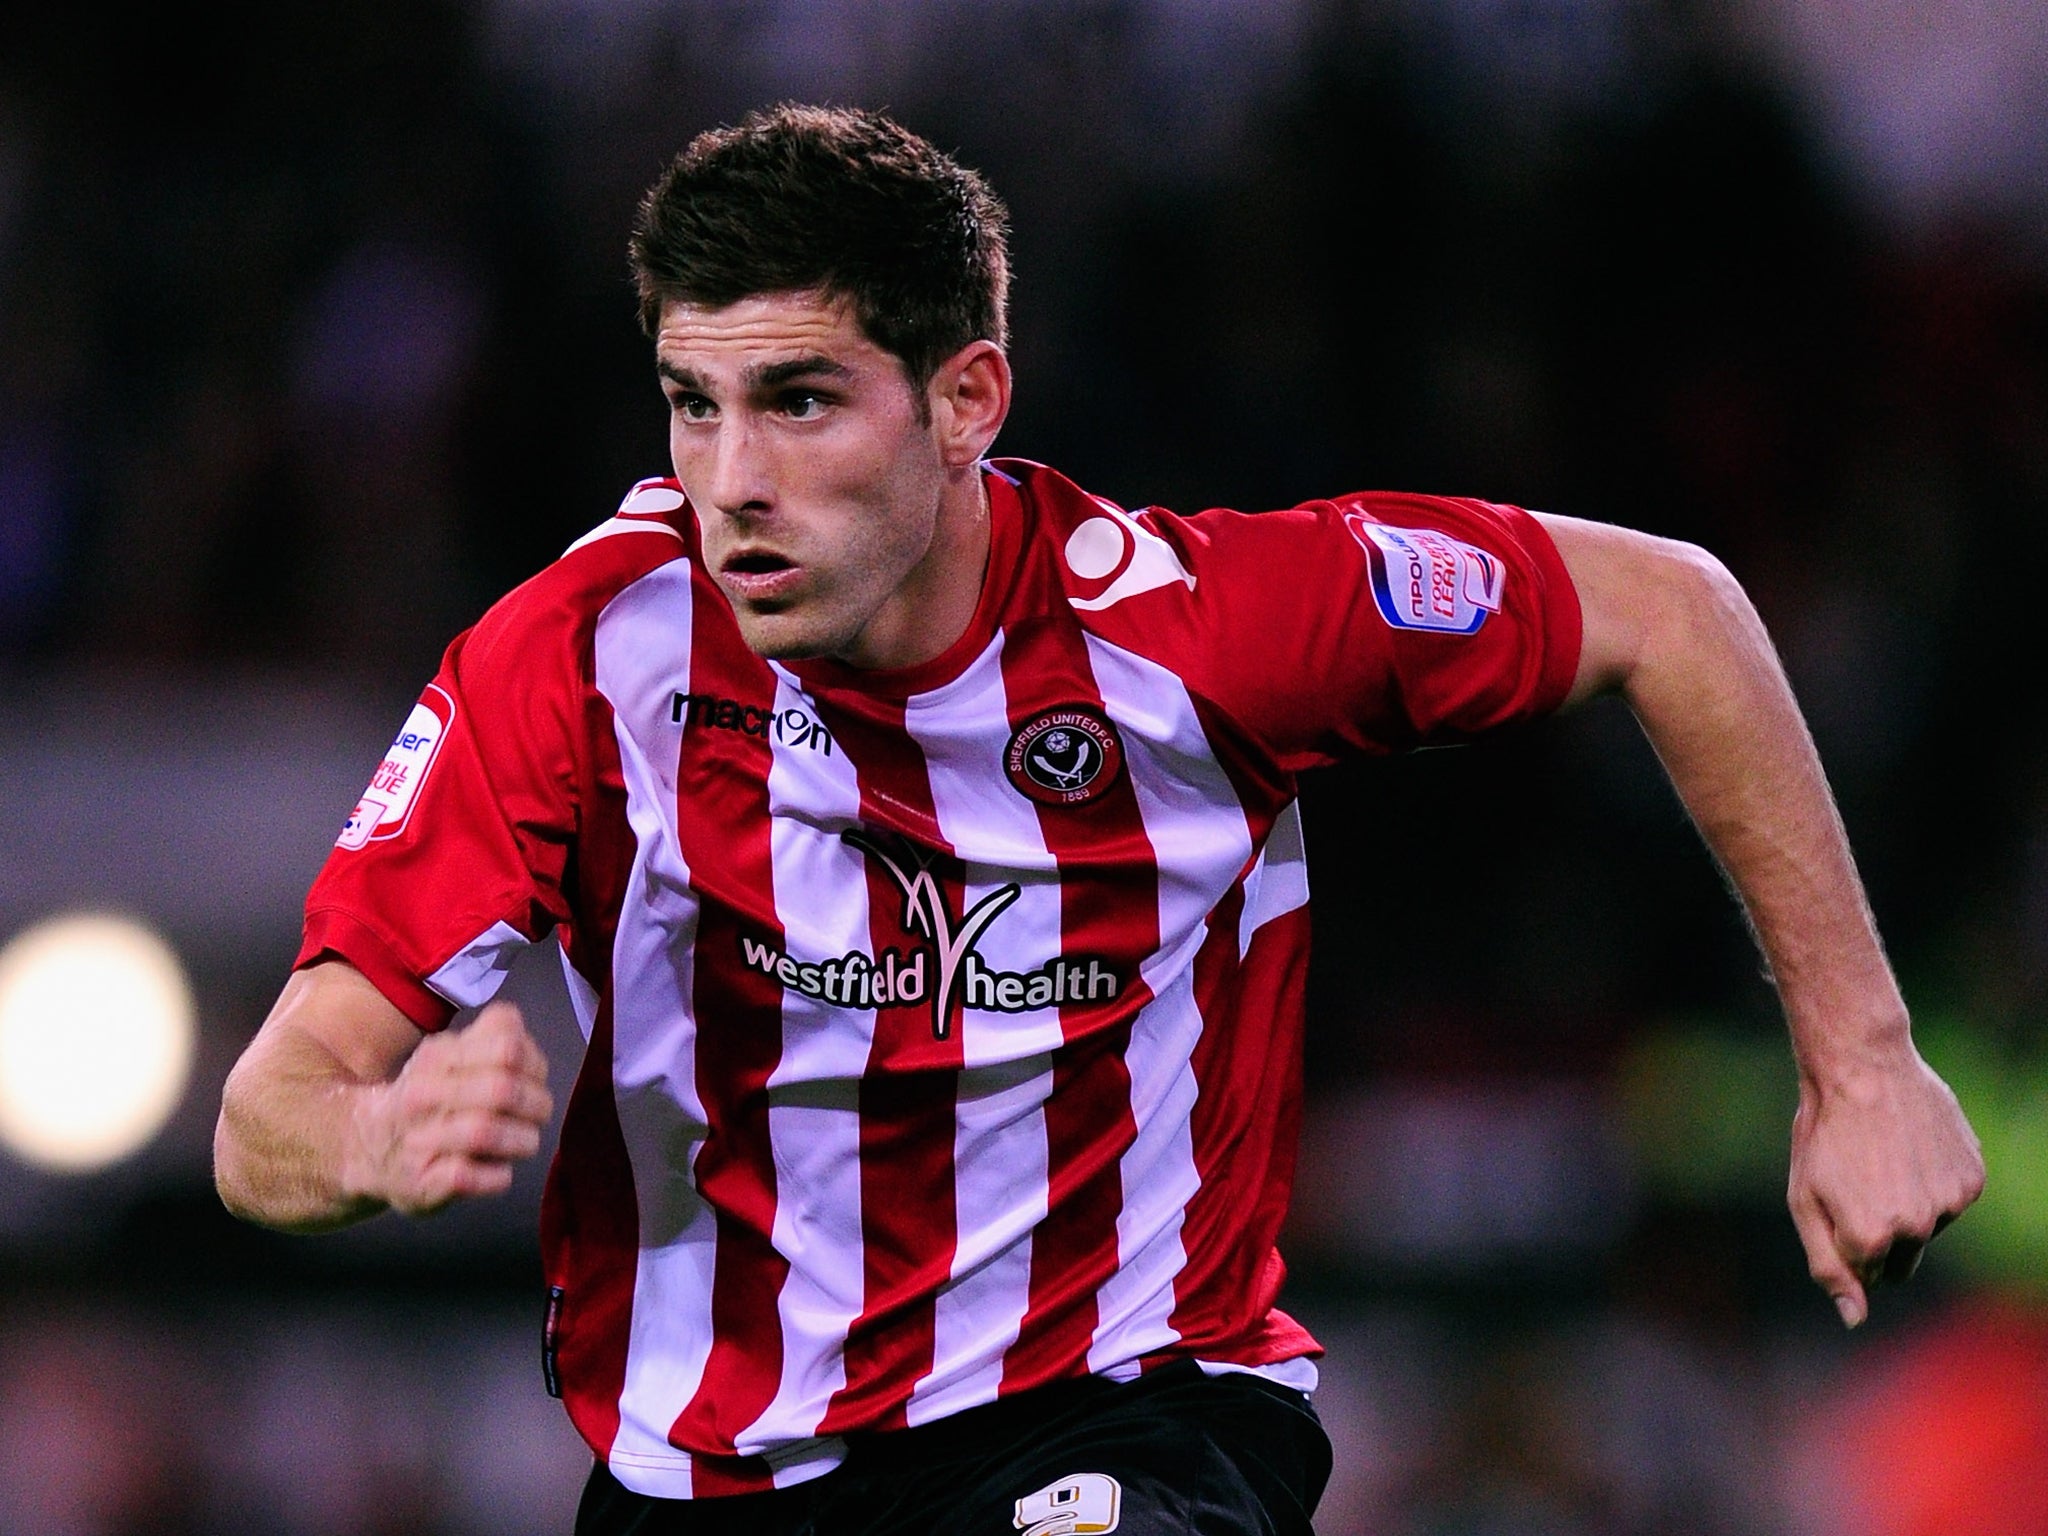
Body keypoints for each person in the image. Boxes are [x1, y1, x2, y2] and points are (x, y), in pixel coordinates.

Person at [213, 103, 1985, 1535]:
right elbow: (266, 1115)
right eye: (696, 402)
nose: (733, 478)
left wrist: (1862, 1059)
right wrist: (368, 1148)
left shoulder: (1199, 636)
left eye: (802, 398)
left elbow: (1673, 610)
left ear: (969, 398)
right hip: (706, 1478)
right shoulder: (576, 666)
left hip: (1125, 1411)